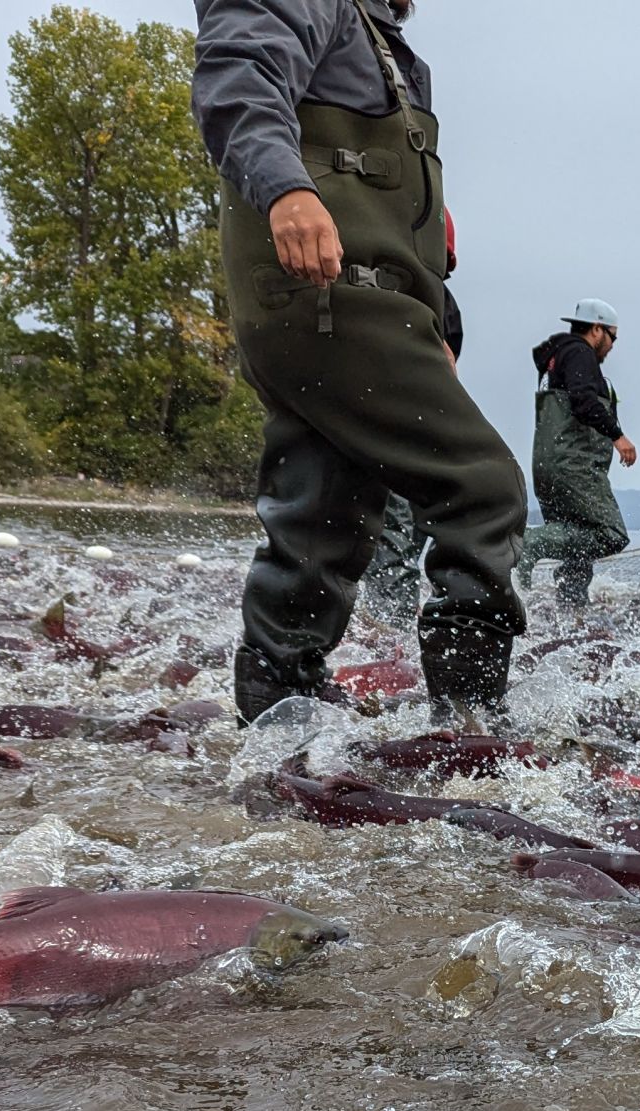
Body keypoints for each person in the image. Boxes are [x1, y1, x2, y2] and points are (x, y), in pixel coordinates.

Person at [193, 0, 528, 724]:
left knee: (325, 510)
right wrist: (285, 188)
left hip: (343, 305)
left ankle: (280, 709)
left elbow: (409, 231)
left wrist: (441, 322)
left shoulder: (381, 43)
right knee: (481, 487)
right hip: (326, 295)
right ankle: (471, 727)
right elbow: (238, 75)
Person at [359, 208, 467, 631]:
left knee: (396, 528)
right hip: (400, 431)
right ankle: (392, 627)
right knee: (397, 528)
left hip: (401, 430)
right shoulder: (426, 299)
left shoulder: (430, 301)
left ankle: (386, 622)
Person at [519, 303, 636, 608]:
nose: (611, 346)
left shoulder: (555, 360)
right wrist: (617, 435)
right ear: (597, 329)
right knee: (608, 533)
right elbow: (583, 400)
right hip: (574, 465)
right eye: (612, 337)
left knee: (577, 538)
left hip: (547, 463)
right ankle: (530, 543)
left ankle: (572, 610)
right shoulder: (579, 352)